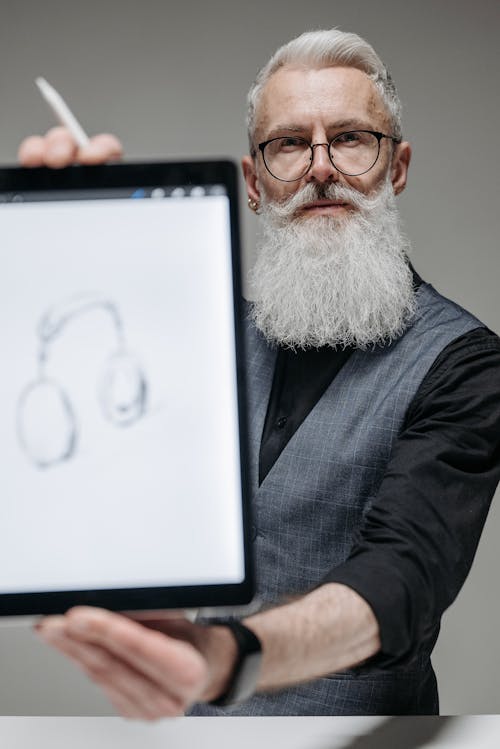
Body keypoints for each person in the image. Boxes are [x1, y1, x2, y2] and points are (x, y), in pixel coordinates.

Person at [19, 29, 500, 719]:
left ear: (397, 168)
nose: (321, 168)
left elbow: (402, 575)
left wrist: (225, 657)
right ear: (254, 182)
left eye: (352, 138)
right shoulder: (205, 337)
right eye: (290, 144)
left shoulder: (465, 362)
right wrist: (68, 255)